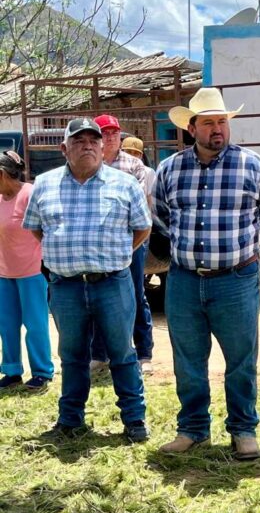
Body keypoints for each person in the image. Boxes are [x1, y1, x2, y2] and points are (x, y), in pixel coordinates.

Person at [153, 87, 260, 460]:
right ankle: (193, 429)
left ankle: (243, 430)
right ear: (191, 128)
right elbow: (161, 217)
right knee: (188, 359)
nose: (217, 129)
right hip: (183, 281)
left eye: (222, 122)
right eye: (209, 122)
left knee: (241, 359)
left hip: (236, 280)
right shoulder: (170, 169)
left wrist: (245, 249)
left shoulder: (254, 166)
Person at [22, 118, 151, 442]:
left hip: (112, 283)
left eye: (94, 140)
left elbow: (142, 228)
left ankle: (134, 420)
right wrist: (65, 255)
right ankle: (70, 419)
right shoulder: (45, 184)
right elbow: (36, 227)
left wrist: (114, 256)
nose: (88, 146)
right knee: (73, 355)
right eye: (79, 141)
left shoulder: (124, 184)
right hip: (65, 286)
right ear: (64, 148)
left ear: (103, 145)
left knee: (122, 353)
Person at [89, 115, 154, 376]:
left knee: (135, 293)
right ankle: (99, 355)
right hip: (98, 243)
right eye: (105, 133)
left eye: (115, 132)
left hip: (132, 241)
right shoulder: (88, 165)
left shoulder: (135, 165)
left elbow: (134, 203)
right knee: (98, 296)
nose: (111, 137)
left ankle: (144, 353)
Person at [0, 150, 54, 392]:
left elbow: (46, 230)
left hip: (32, 272)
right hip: (4, 273)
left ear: (2, 174)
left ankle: (42, 372)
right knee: (7, 324)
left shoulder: (30, 194)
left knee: (35, 324)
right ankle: (11, 371)